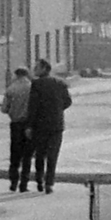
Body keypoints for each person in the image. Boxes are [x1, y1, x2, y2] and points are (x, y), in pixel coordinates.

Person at [25, 59, 72, 193]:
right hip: (57, 125)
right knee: (53, 155)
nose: (34, 70)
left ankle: (40, 180)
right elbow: (68, 101)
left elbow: (32, 106)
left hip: (40, 125)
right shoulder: (60, 83)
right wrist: (57, 110)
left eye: (37, 68)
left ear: (45, 69)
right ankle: (49, 183)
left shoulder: (36, 84)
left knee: (40, 154)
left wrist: (29, 125)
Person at [0, 67, 34, 191]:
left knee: (15, 155)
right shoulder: (32, 87)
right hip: (29, 124)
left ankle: (13, 182)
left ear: (16, 75)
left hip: (15, 124)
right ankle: (24, 184)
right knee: (27, 156)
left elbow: (4, 109)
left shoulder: (11, 89)